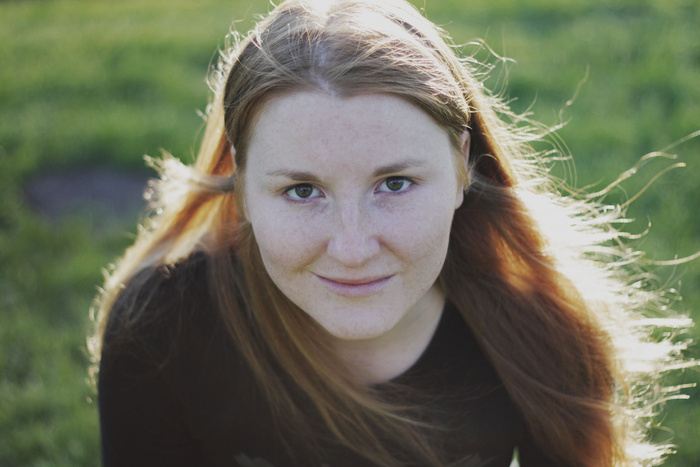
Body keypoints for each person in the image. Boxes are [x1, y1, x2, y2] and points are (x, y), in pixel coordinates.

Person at [89, 0, 693, 465]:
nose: (353, 249)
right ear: (242, 187)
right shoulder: (161, 330)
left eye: (395, 183)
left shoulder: (540, 329)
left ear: (462, 166)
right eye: (302, 191)